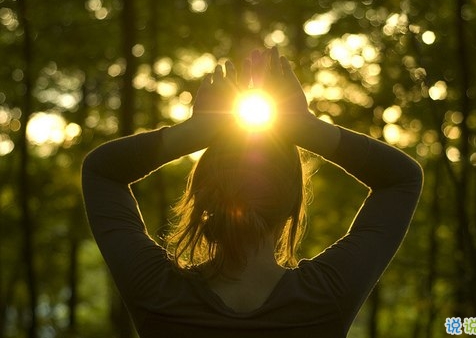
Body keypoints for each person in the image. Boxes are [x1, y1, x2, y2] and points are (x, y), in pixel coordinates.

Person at [81, 47, 423, 338]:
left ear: (202, 196)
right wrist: (305, 126)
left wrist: (196, 131)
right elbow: (401, 178)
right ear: (292, 205)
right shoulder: (325, 296)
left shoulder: (158, 292)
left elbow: (102, 171)